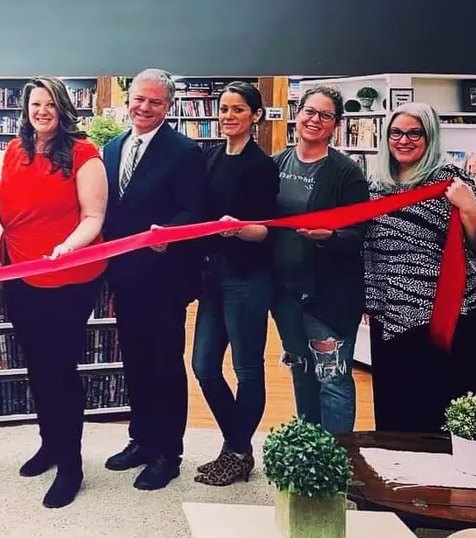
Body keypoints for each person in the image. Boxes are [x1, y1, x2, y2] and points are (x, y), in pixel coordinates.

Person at [0, 76, 108, 509]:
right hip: (20, 272)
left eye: (49, 104)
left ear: (62, 108)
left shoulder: (84, 154)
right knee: (36, 364)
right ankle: (50, 445)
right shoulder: (14, 150)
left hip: (68, 276)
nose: (41, 111)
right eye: (34, 104)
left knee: (60, 367)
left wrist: (65, 248)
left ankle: (72, 465)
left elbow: (94, 216)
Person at [102, 68, 208, 492]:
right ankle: (141, 440)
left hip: (165, 281)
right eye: (139, 99)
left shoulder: (185, 152)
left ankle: (169, 453)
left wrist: (170, 232)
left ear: (168, 106)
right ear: (129, 98)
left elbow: (196, 211)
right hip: (124, 279)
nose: (144, 107)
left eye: (155, 102)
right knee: (135, 362)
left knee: (165, 365)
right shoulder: (111, 148)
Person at [364, 102, 476, 433]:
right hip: (389, 315)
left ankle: (440, 484)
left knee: (436, 408)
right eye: (396, 132)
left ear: (430, 137)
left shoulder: (452, 183)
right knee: (394, 406)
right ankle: (398, 481)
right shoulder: (376, 186)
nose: (404, 140)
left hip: (443, 316)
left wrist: (469, 208)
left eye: (416, 133)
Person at [191, 81, 279, 486]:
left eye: (238, 110)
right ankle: (237, 446)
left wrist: (237, 229)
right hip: (213, 277)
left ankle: (238, 452)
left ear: (255, 116)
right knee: (204, 365)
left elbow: (266, 231)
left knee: (246, 369)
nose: (228, 116)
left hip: (248, 277)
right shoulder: (209, 158)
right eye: (224, 108)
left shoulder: (262, 165)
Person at [270, 85, 369, 434]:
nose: (315, 120)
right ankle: (310, 454)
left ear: (335, 125)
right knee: (302, 371)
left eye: (325, 115)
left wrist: (331, 238)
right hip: (285, 295)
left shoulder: (347, 173)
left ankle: (339, 462)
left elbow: (360, 233)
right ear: (297, 113)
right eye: (310, 111)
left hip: (328, 298)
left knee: (333, 378)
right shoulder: (276, 163)